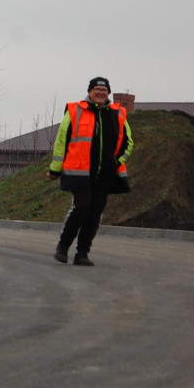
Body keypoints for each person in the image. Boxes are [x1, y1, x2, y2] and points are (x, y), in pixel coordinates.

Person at [48, 76, 133, 266]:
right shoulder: (75, 110)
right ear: (89, 92)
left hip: (105, 174)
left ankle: (82, 253)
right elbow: (62, 140)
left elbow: (128, 143)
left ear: (108, 93)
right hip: (79, 172)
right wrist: (55, 169)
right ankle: (62, 248)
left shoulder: (118, 114)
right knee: (81, 208)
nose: (100, 93)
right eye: (96, 89)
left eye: (104, 90)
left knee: (95, 214)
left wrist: (117, 161)